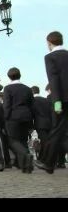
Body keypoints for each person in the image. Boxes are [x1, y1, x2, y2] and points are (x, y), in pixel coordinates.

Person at [35, 31, 68, 174]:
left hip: (62, 99)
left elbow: (54, 81)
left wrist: (57, 103)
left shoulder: (50, 57)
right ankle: (48, 162)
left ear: (49, 43)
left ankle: (48, 163)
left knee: (56, 131)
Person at [3, 69, 34, 174]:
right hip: (26, 116)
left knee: (13, 141)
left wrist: (6, 118)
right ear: (20, 75)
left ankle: (26, 155)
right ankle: (26, 167)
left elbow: (7, 105)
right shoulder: (28, 89)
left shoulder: (7, 88)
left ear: (9, 77)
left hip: (13, 117)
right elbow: (31, 105)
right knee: (23, 140)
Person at [31, 86, 52, 161]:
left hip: (40, 123)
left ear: (32, 92)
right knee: (46, 141)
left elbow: (32, 113)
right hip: (49, 123)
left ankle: (44, 159)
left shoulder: (32, 100)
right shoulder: (46, 100)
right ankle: (42, 158)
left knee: (44, 141)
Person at [0, 92, 12, 168]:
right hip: (11, 127)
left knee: (4, 145)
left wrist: (2, 127)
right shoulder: (9, 105)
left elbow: (1, 118)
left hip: (4, 127)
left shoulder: (0, 106)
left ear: (0, 97)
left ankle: (8, 162)